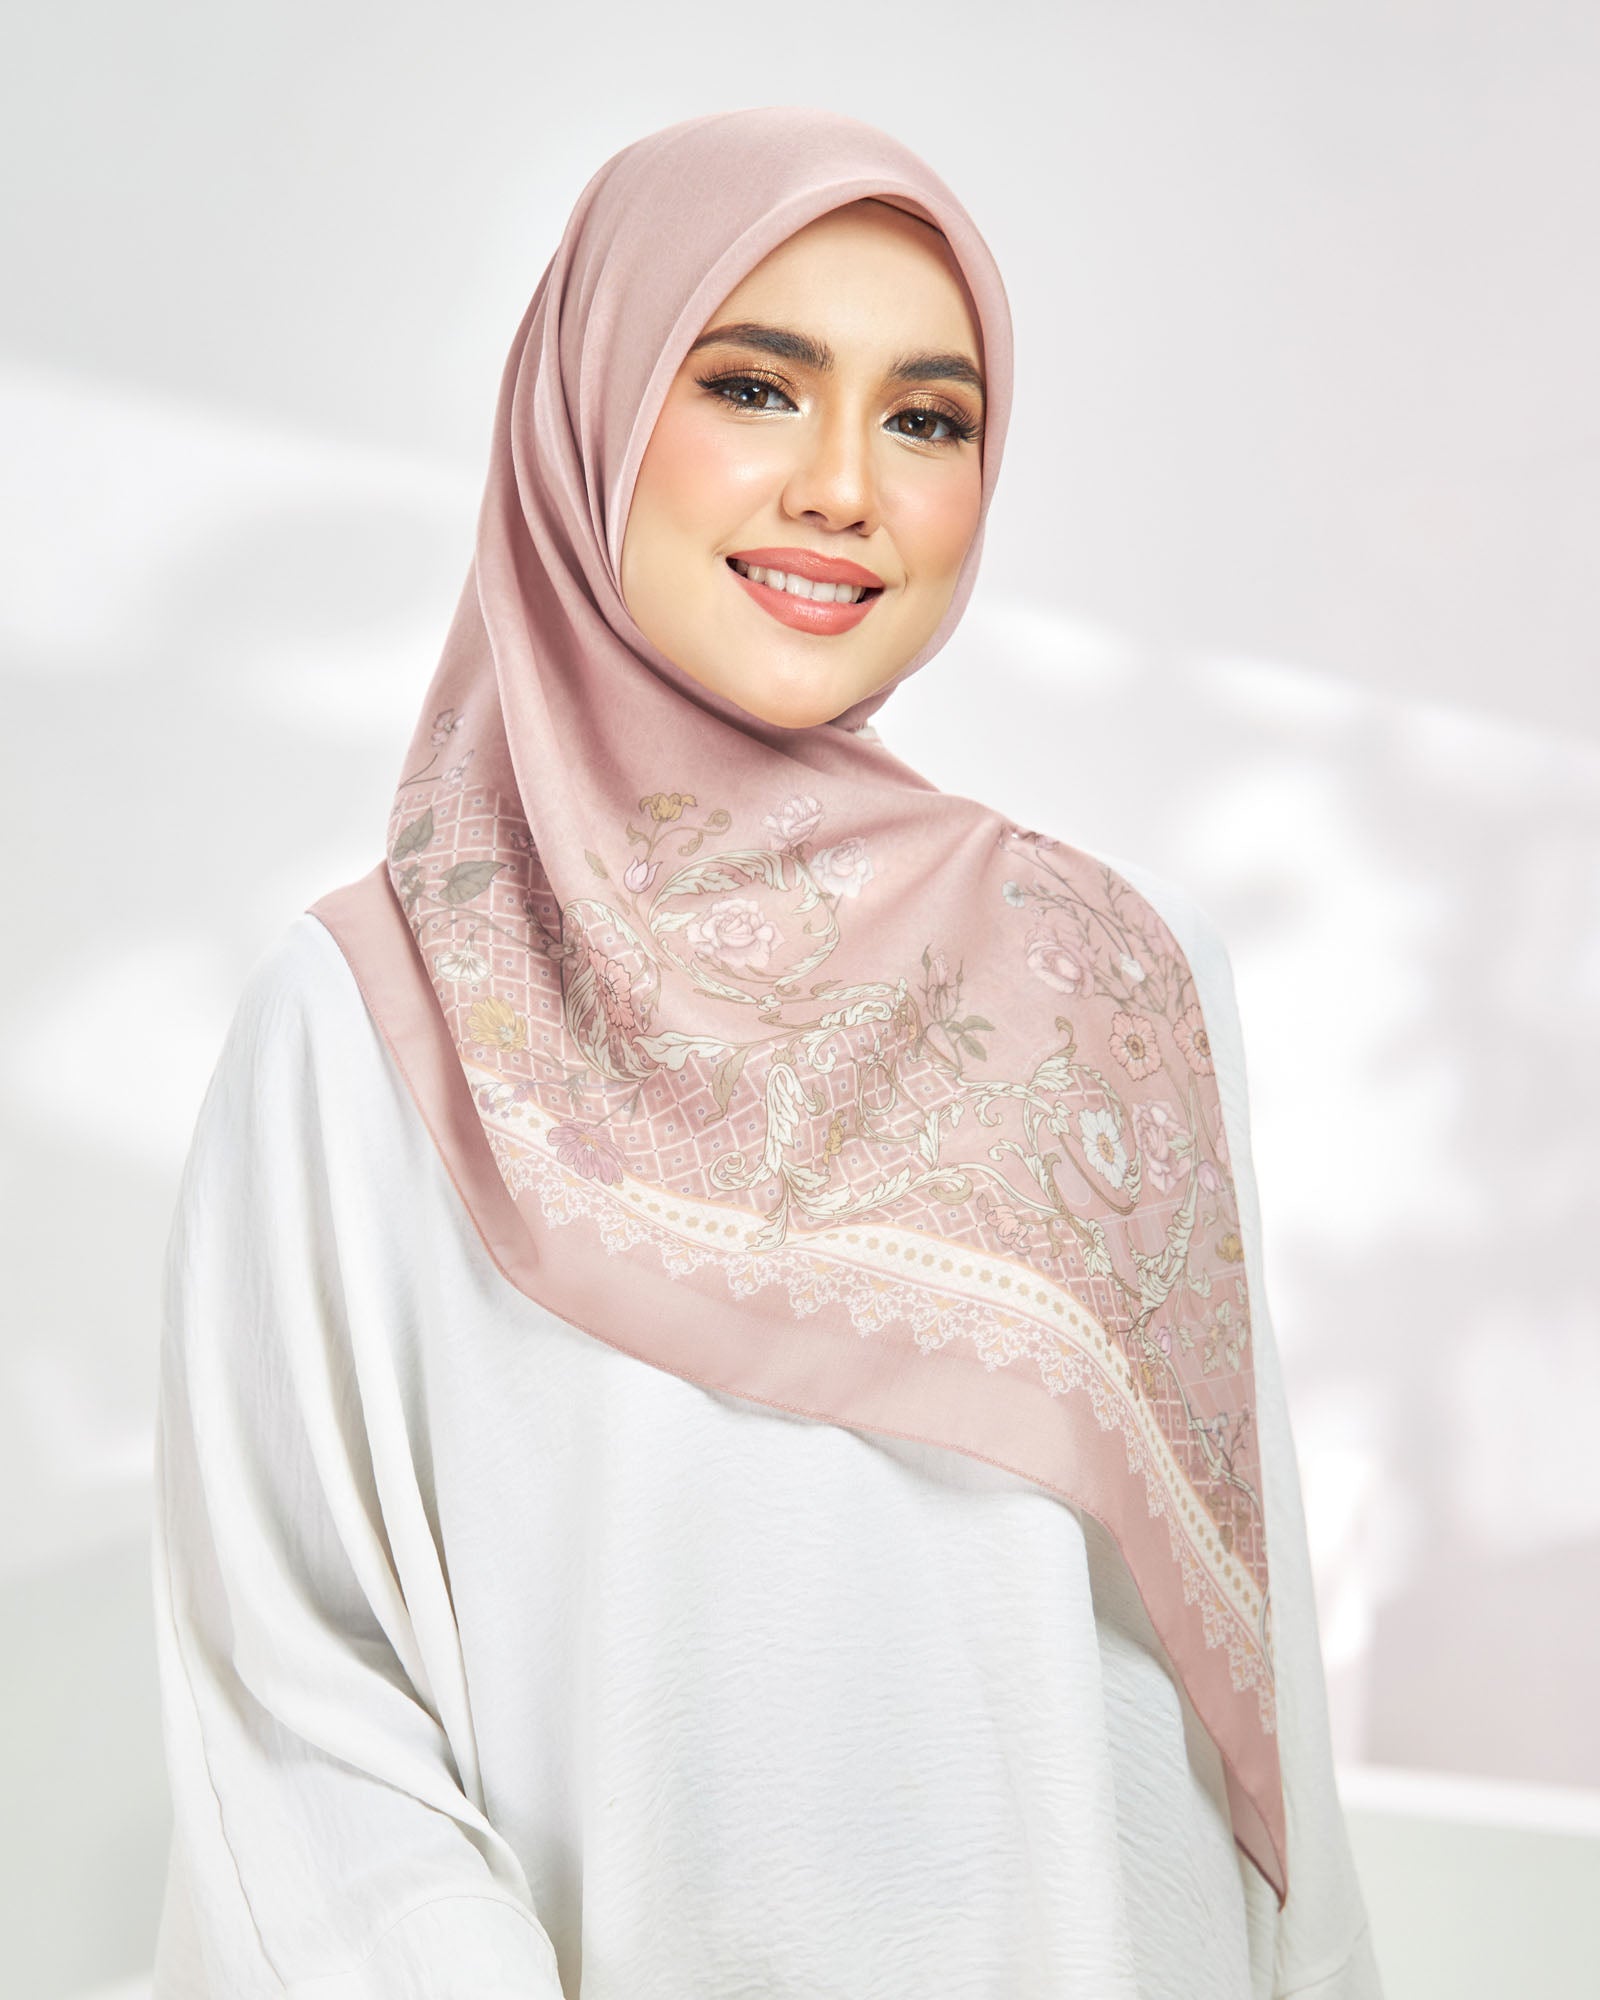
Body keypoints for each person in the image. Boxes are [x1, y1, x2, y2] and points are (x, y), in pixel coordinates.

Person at [149, 108, 1382, 1998]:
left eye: (928, 419)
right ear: (586, 414)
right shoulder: (367, 1023)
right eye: (751, 385)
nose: (844, 487)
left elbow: (1239, 1694)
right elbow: (302, 1705)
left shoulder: (1123, 981)